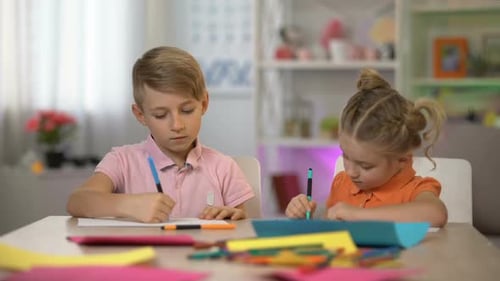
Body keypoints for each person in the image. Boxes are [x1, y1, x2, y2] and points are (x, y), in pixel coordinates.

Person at [67, 46, 254, 223]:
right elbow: (77, 202)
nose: (177, 125)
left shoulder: (224, 168)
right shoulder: (122, 161)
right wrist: (129, 205)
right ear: (141, 115)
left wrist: (234, 216)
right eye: (160, 115)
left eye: (187, 110)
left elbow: (241, 223)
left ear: (204, 104)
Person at [285, 68, 448, 227]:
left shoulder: (415, 190)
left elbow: (436, 214)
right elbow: (331, 228)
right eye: (345, 156)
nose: (350, 171)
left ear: (402, 160)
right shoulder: (342, 184)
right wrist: (305, 216)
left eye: (365, 166)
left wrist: (357, 215)